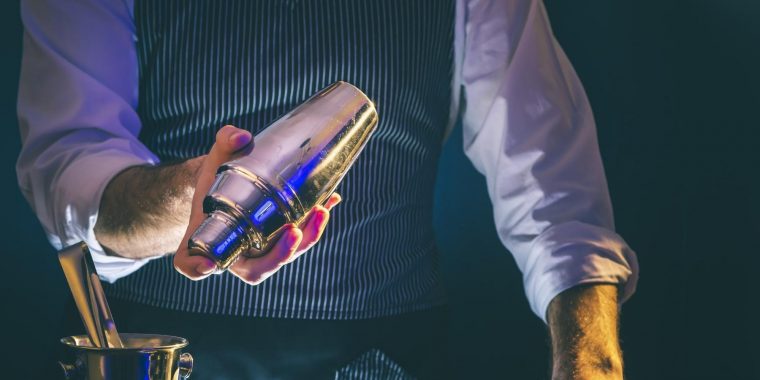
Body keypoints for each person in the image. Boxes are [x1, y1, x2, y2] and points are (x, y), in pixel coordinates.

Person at [17, 0, 638, 378]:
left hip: (385, 361)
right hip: (158, 356)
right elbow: (71, 170)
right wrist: (196, 198)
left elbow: (555, 192)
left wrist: (591, 364)